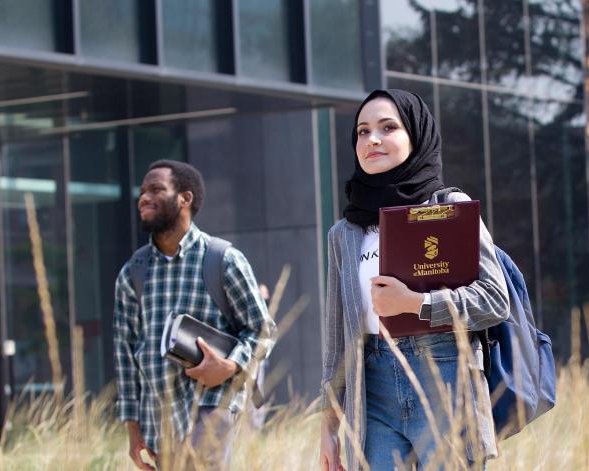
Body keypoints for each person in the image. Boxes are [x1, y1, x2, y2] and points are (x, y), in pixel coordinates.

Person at [318, 89, 510, 470]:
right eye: (362, 131)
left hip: (443, 373)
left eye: (387, 127)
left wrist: (415, 304)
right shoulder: (344, 232)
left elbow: (494, 299)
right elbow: (337, 335)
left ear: (416, 136)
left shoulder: (449, 208)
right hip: (370, 388)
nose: (371, 139)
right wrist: (327, 422)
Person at [114, 160, 276, 470]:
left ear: (184, 199)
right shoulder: (132, 273)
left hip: (210, 409)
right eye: (142, 191)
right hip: (158, 419)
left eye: (156, 189)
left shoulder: (222, 260)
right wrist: (133, 433)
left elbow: (263, 331)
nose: (144, 198)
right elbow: (125, 357)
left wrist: (230, 365)